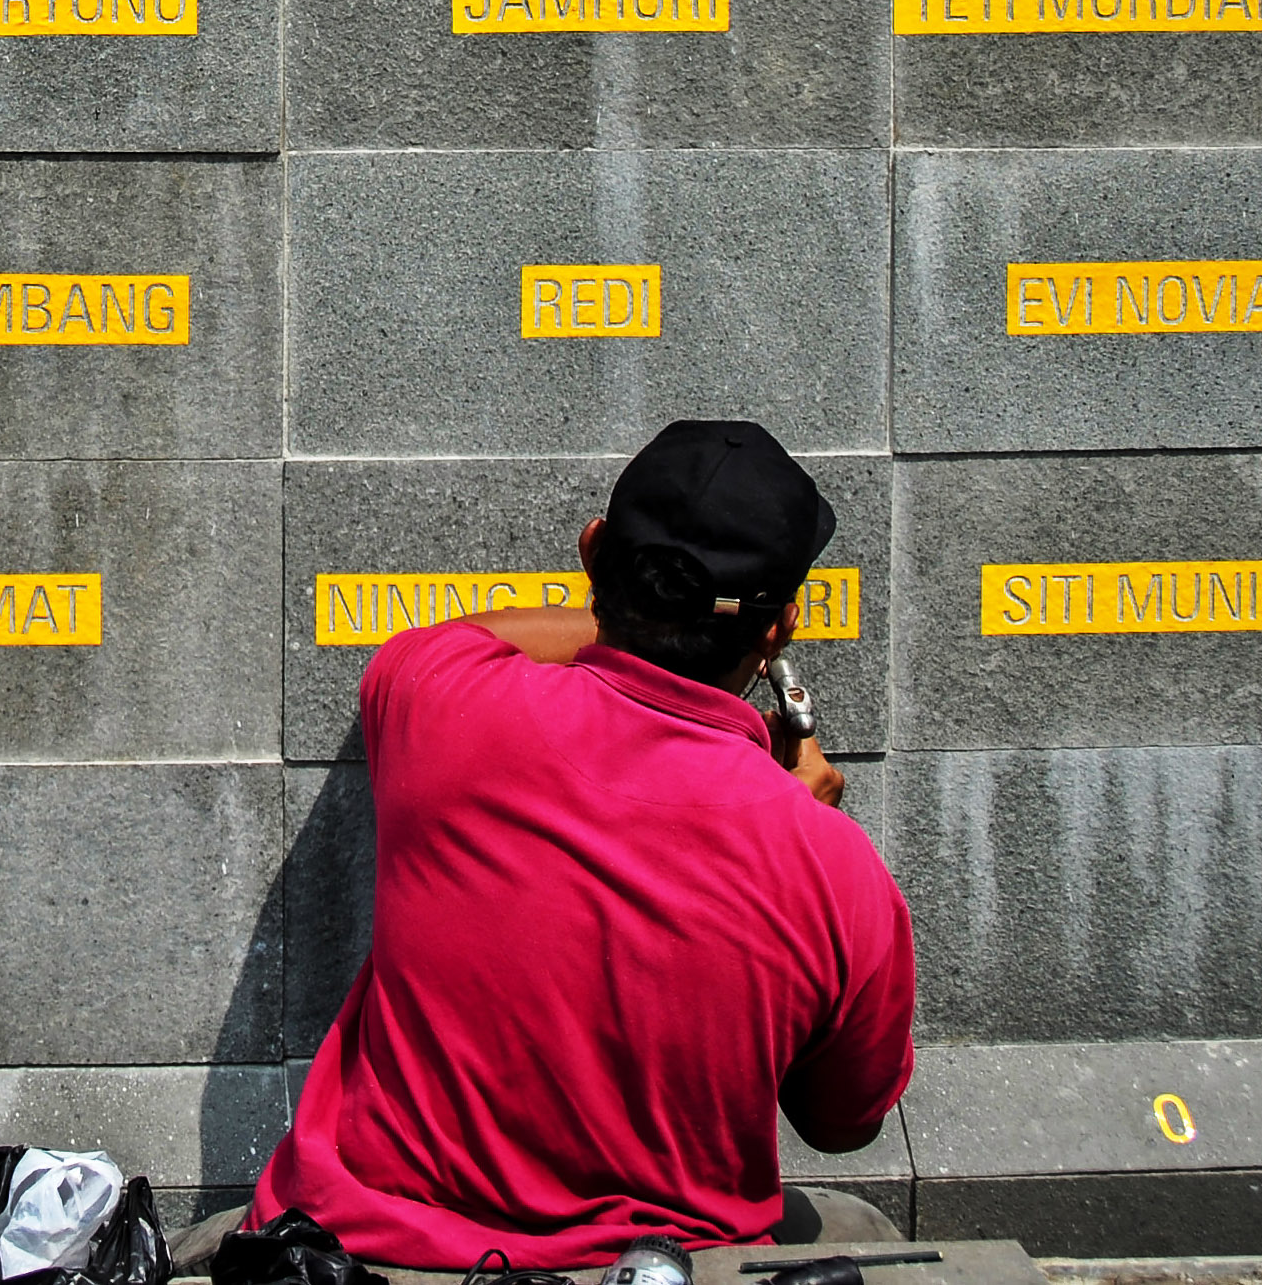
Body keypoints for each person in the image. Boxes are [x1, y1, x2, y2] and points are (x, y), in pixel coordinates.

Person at [217, 420, 918, 1276]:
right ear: (781, 629)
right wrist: (795, 831)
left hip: (368, 1246)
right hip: (660, 1262)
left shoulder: (438, 701)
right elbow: (844, 1121)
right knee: (860, 1224)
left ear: (592, 554)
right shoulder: (837, 866)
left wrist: (636, 601)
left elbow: (472, 634)